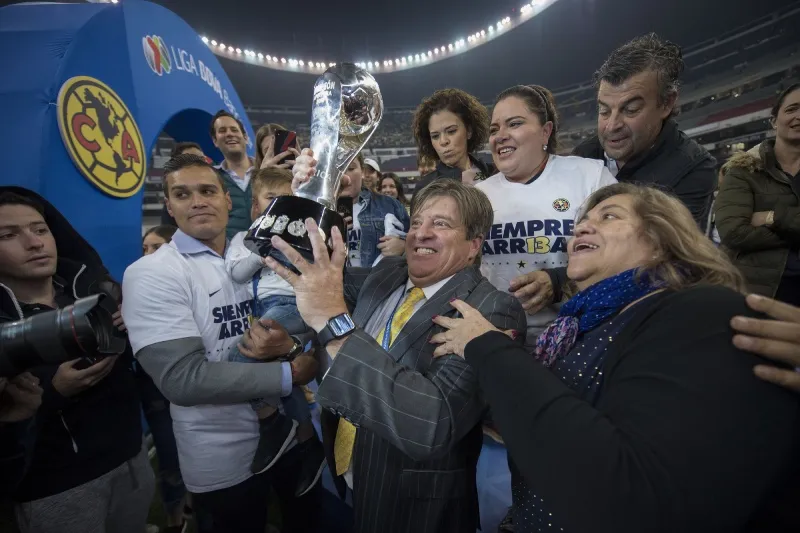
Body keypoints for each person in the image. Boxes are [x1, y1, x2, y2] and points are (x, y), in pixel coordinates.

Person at [430, 182, 800, 533]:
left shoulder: (701, 311)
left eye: (609, 216)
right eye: (580, 223)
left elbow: (624, 495)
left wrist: (489, 348)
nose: (583, 228)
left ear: (660, 240)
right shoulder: (576, 327)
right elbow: (566, 426)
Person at [267, 176, 527, 533]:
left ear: (473, 245)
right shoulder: (388, 273)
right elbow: (307, 264)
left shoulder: (492, 311)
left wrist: (333, 324)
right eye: (417, 222)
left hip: (416, 506)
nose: (421, 233)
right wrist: (310, 192)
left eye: (441, 223)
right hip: (353, 472)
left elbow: (433, 424)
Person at [121, 154, 320, 533]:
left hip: (294, 436)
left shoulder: (255, 251)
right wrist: (291, 373)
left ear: (228, 199)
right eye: (182, 193)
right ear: (169, 206)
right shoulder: (150, 273)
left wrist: (295, 352)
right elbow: (184, 380)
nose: (197, 201)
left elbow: (305, 324)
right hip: (222, 456)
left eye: (208, 190)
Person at [0, 188, 153, 533]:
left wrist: (138, 327)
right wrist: (54, 392)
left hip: (131, 457)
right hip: (58, 485)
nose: (34, 243)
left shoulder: (96, 290)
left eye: (40, 230)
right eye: (9, 235)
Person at [477, 85, 617, 341]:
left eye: (514, 124)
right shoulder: (477, 195)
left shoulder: (590, 177)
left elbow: (624, 255)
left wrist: (560, 282)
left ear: (545, 131)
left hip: (582, 337)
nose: (501, 136)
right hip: (498, 340)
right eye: (494, 130)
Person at [224, 167, 326, 495]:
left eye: (288, 200)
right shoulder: (245, 238)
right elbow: (238, 273)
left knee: (236, 359)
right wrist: (263, 247)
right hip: (264, 310)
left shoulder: (302, 231)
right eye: (272, 199)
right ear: (256, 205)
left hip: (294, 305)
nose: (280, 206)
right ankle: (309, 444)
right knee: (285, 381)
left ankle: (272, 423)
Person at [573, 33, 716, 231]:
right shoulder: (582, 156)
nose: (612, 125)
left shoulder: (693, 168)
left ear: (666, 103)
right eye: (604, 110)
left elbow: (664, 250)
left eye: (630, 110)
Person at [715, 84, 800, 305]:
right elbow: (733, 233)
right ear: (774, 121)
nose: (798, 116)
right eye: (792, 109)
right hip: (756, 292)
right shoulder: (743, 170)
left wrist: (771, 217)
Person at [138, 224, 191, 533]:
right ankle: (176, 521)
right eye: (144, 248)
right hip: (156, 391)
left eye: (155, 247)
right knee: (170, 458)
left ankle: (194, 505)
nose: (148, 254)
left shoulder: (200, 282)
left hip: (197, 388)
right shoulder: (134, 285)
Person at [412, 88, 494, 193]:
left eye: (451, 131)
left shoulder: (494, 173)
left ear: (469, 131)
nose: (443, 141)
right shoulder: (425, 188)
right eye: (435, 136)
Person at [338, 153, 409, 267]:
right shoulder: (315, 208)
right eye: (337, 169)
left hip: (377, 282)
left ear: (362, 171)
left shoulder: (390, 206)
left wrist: (404, 247)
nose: (344, 176)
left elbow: (418, 244)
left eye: (350, 168)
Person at [209, 110, 256, 239]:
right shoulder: (211, 179)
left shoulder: (265, 172)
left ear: (245, 137)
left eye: (234, 130)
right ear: (215, 141)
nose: (229, 134)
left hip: (269, 252)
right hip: (229, 255)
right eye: (222, 131)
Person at [161, 143, 209, 226]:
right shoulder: (172, 199)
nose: (199, 164)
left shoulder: (220, 186)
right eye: (191, 160)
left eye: (202, 159)